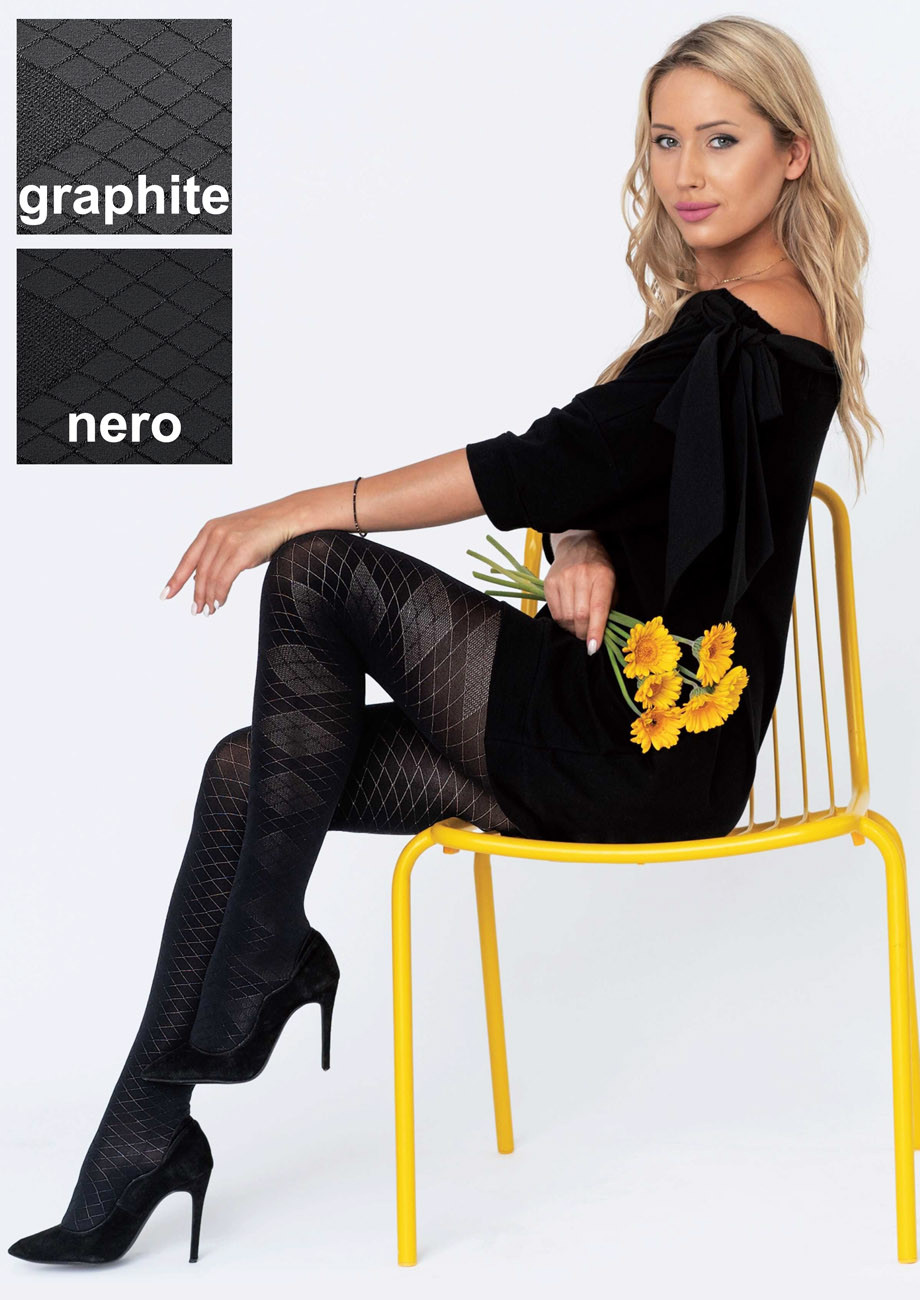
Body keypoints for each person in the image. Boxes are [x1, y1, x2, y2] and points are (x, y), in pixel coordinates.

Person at [8, 14, 880, 1267]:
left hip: (628, 752)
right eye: (663, 141)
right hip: (601, 731)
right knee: (244, 774)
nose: (684, 173)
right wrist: (580, 539)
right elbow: (608, 477)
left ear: (791, 153)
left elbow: (533, 460)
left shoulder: (740, 336)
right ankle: (142, 1139)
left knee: (313, 569)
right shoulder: (724, 322)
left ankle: (264, 959)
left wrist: (289, 506)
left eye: (721, 141)